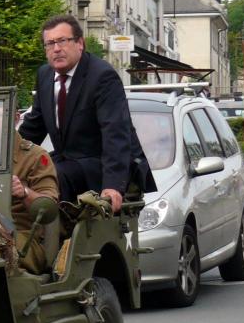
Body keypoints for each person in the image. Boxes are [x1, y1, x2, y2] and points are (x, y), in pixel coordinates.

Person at [19, 14, 155, 211]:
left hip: (99, 164)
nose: (56, 49)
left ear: (80, 43)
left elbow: (115, 133)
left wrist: (113, 185)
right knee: (23, 176)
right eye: (49, 44)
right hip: (67, 161)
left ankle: (50, 237)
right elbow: (33, 128)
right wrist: (6, 158)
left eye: (62, 41)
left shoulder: (102, 76)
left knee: (54, 175)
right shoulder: (45, 75)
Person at [0, 102, 60, 274]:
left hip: (21, 237)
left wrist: (24, 192)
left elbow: (49, 207)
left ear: (16, 119)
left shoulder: (34, 157)